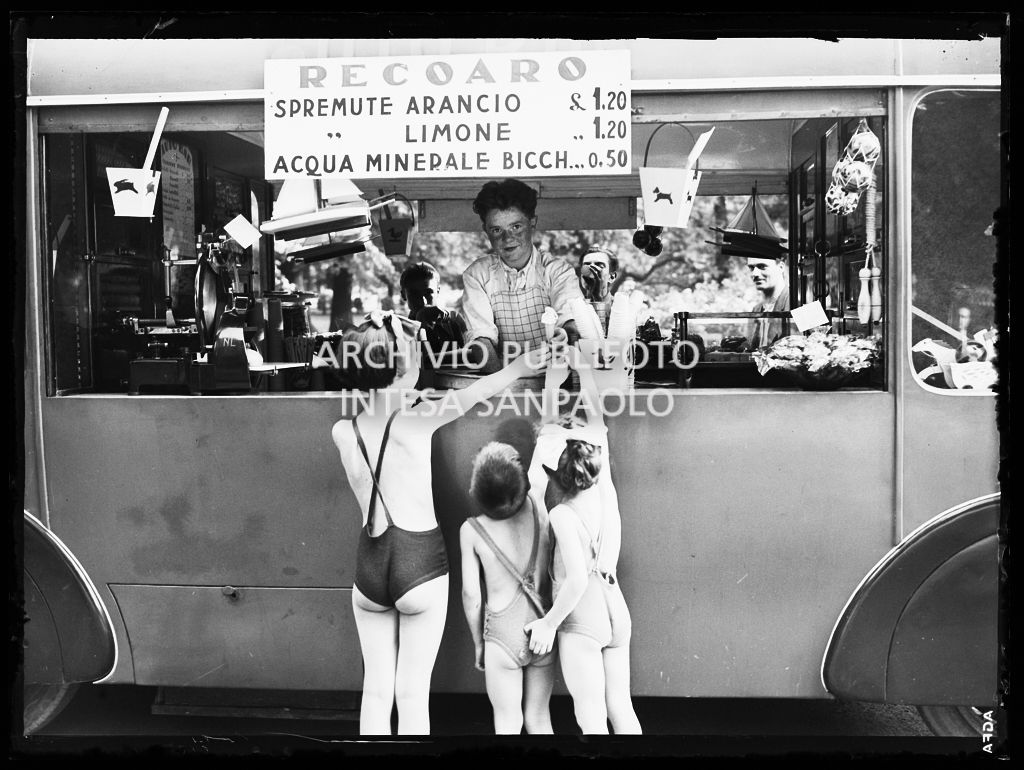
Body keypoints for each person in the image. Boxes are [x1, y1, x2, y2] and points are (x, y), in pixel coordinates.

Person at [331, 311, 552, 735]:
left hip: (369, 568)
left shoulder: (344, 431)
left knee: (375, 691)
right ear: (404, 368)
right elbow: (478, 392)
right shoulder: (418, 420)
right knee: (412, 693)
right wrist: (521, 366)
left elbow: (381, 413)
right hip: (419, 563)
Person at [522, 350, 642, 735]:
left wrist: (547, 624)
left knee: (589, 717)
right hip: (614, 604)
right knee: (620, 708)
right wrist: (580, 366)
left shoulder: (559, 514)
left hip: (581, 613)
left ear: (555, 476)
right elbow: (594, 419)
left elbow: (574, 581)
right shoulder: (603, 485)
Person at [459, 442, 556, 734]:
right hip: (542, 623)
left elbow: (471, 596)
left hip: (502, 634)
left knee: (507, 723)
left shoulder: (471, 531)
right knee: (539, 719)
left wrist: (479, 643)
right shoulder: (538, 503)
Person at [461, 178, 583, 373]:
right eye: (497, 230)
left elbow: (571, 323)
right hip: (502, 378)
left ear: (532, 222)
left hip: (556, 383)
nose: (507, 238)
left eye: (516, 227)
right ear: (486, 231)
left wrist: (567, 336)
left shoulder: (558, 271)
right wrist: (503, 387)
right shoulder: (477, 275)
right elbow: (481, 340)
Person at [400, 261, 467, 354]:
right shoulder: (399, 329)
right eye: (414, 294)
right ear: (403, 295)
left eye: (428, 293)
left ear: (438, 291)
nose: (423, 301)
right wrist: (420, 322)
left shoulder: (454, 320)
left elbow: (470, 354)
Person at [747, 255, 791, 349]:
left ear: (781, 267)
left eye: (762, 266)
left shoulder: (804, 305)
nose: (754, 274)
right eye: (751, 268)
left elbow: (821, 349)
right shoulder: (756, 309)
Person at [578, 247, 619, 336]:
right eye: (586, 265)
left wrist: (597, 297)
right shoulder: (572, 308)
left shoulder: (620, 310)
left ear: (611, 277)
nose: (591, 270)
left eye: (599, 266)